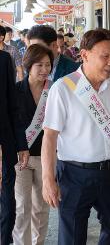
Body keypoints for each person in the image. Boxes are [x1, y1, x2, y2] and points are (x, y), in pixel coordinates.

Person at [41, 28, 110, 245]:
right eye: (105, 56)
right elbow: (49, 137)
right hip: (74, 174)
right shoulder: (63, 88)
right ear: (84, 55)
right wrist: (48, 179)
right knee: (72, 235)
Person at [13, 44, 54, 245]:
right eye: (40, 65)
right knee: (21, 207)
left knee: (41, 207)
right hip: (20, 157)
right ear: (28, 65)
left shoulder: (54, 91)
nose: (45, 70)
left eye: (48, 65)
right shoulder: (15, 90)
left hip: (45, 156)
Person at [0, 50, 20, 245]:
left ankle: (4, 240)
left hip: (3, 144)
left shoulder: (4, 59)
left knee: (7, 199)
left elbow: (12, 103)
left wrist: (20, 143)